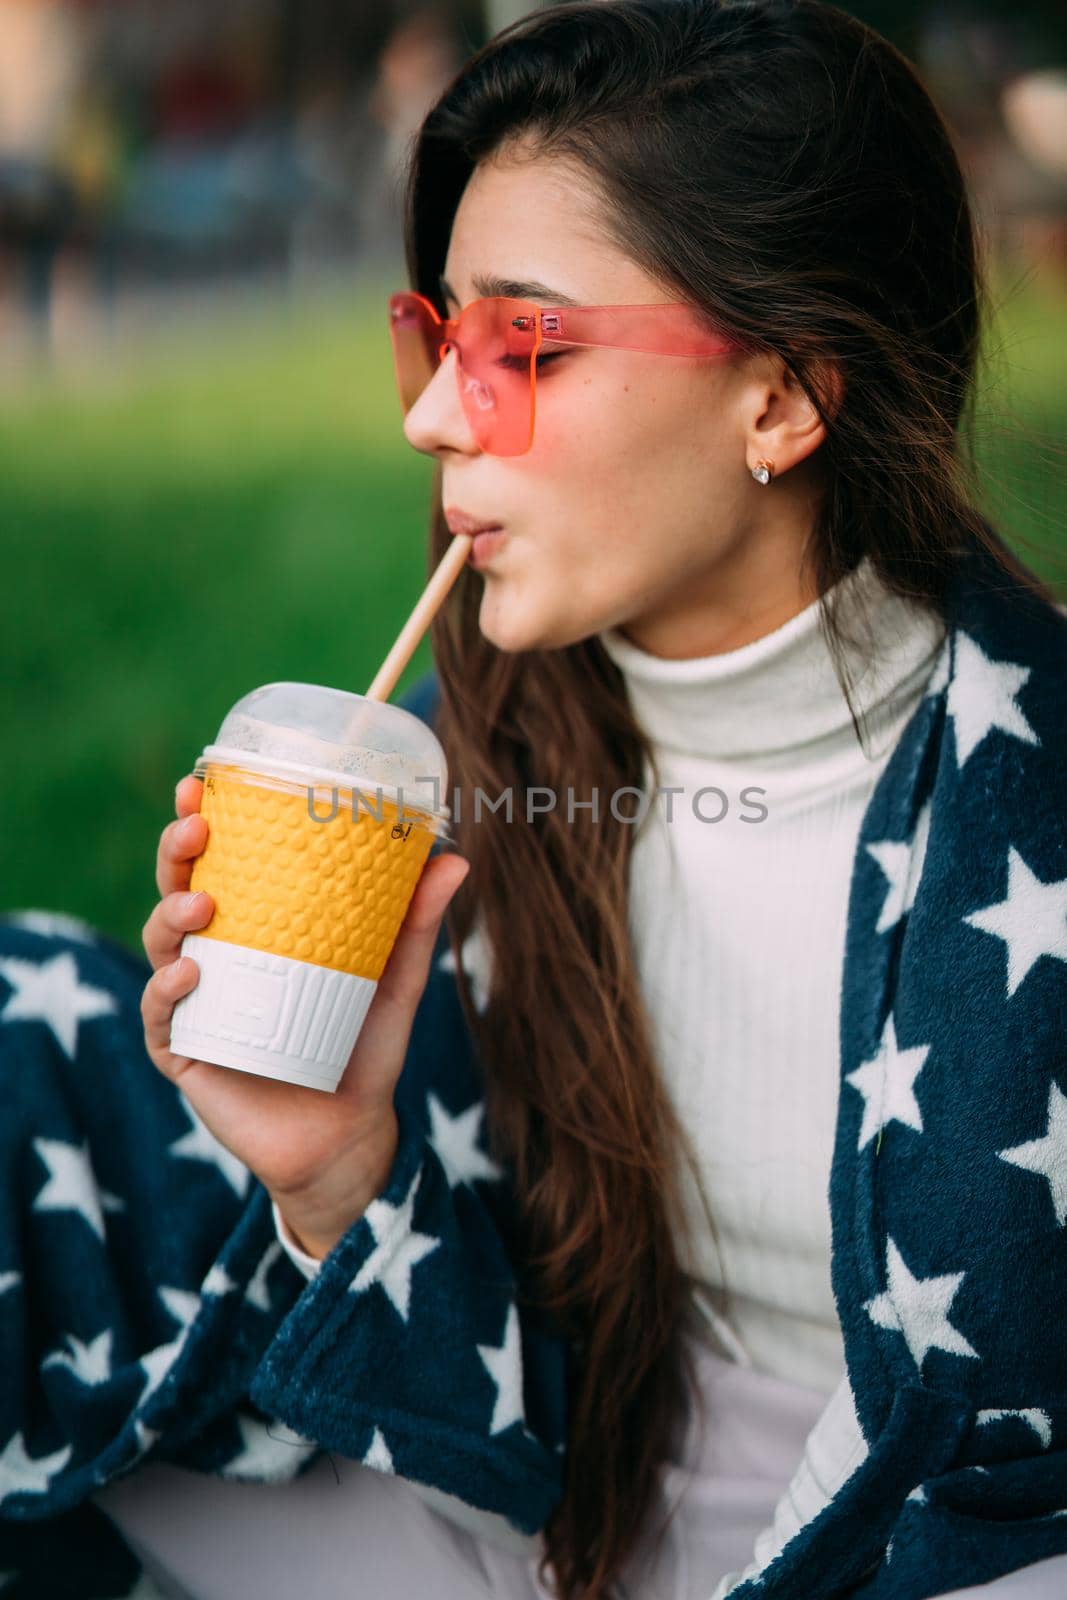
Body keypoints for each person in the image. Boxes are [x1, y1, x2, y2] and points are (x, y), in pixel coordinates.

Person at [1, 2, 1065, 1597]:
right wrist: (332, 1168)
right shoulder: (465, 756)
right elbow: (494, 1363)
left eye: (527, 347)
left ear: (782, 398)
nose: (432, 415)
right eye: (439, 336)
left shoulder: (1027, 822)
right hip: (541, 1489)